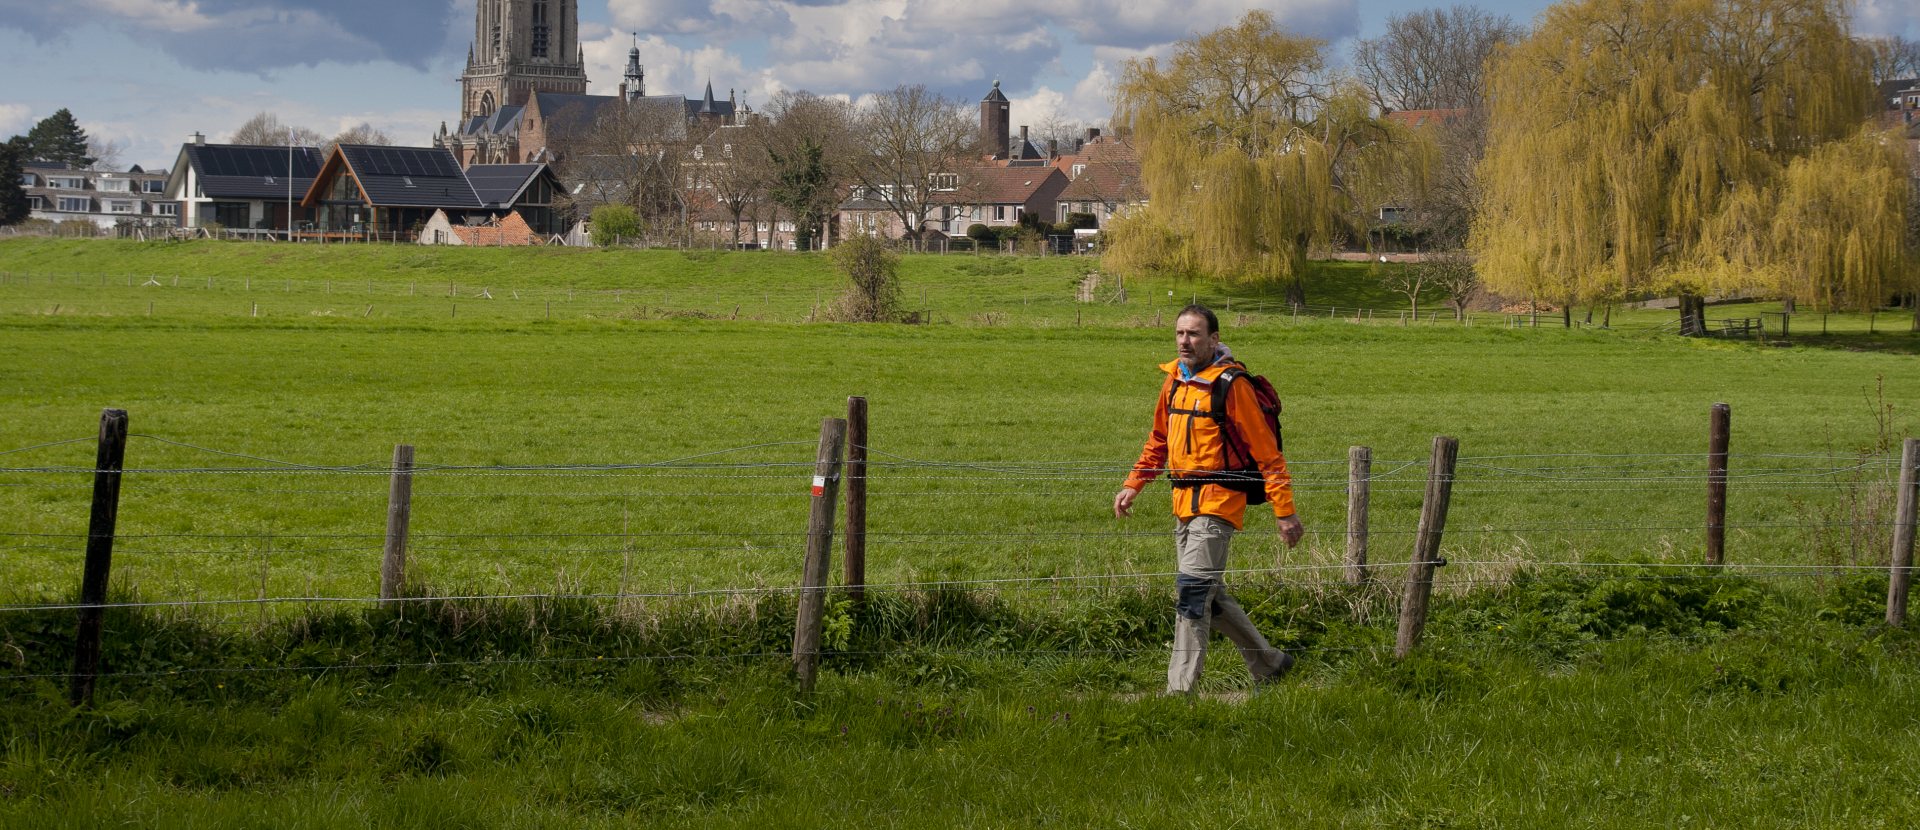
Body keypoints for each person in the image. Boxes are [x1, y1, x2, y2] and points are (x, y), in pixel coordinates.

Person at [1113, 304, 1304, 694]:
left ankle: (1179, 692)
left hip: (1218, 504)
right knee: (1208, 597)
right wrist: (1134, 483)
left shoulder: (1232, 386)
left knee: (1192, 595)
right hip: (1182, 505)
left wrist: (1284, 512)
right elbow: (1159, 441)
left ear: (1214, 339)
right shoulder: (1174, 382)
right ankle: (1270, 664)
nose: (1186, 341)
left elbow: (1268, 454)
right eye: (1180, 333)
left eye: (1195, 334)